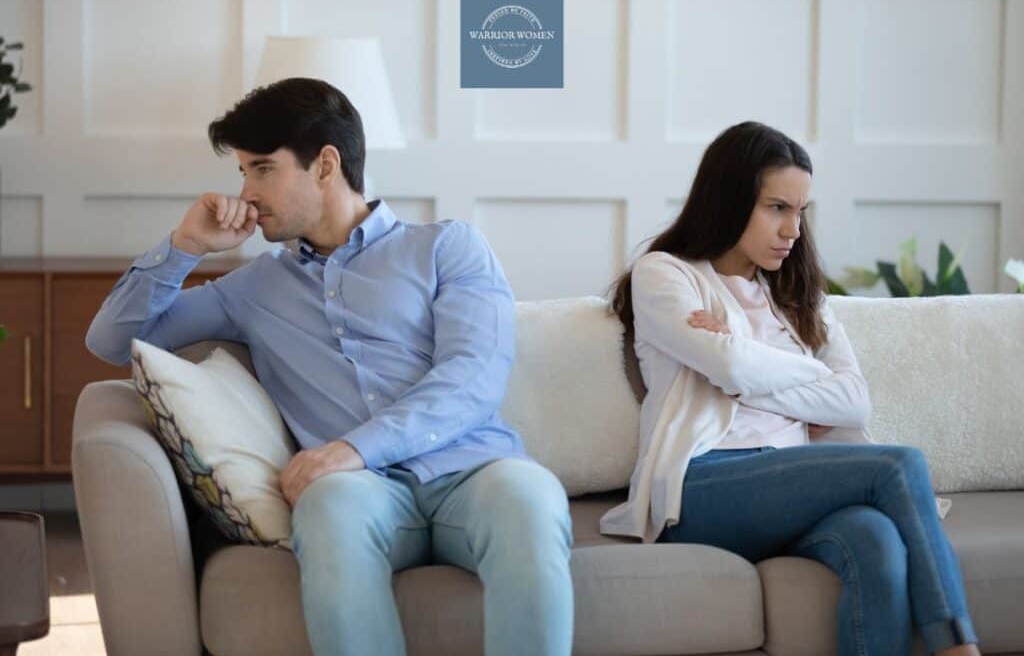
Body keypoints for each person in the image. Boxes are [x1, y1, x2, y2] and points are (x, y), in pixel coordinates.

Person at [85, 77, 574, 656]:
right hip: (357, 492)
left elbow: (473, 375)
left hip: (472, 472)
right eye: (242, 171)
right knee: (326, 508)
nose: (246, 191)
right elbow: (113, 340)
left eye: (261, 169)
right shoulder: (253, 289)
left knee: (530, 499)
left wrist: (353, 447)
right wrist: (185, 246)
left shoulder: (447, 248)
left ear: (325, 164)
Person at [602, 121, 980, 656]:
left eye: (800, 211)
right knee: (898, 465)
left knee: (876, 542)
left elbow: (852, 401)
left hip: (795, 481)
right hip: (703, 485)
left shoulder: (802, 298)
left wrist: (742, 367)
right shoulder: (666, 275)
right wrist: (772, 374)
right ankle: (960, 649)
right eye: (777, 208)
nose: (793, 230)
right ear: (729, 200)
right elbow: (733, 368)